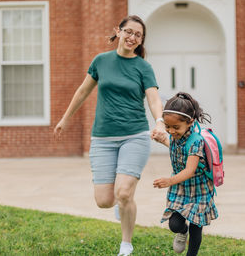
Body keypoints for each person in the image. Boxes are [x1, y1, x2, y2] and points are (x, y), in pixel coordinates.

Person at [54, 15, 164, 256]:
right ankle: (120, 204)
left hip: (134, 135)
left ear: (141, 40)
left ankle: (126, 245)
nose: (132, 37)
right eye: (129, 32)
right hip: (102, 139)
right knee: (104, 200)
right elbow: (83, 91)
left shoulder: (143, 67)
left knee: (124, 193)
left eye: (138, 35)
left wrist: (160, 122)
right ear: (119, 31)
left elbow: (153, 98)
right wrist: (65, 118)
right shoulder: (101, 61)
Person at [152, 92, 218, 256]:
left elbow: (189, 170)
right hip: (181, 188)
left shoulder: (196, 141)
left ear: (190, 122)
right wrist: (163, 140)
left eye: (175, 127)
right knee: (174, 224)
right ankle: (183, 231)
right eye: (167, 126)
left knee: (197, 226)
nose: (171, 131)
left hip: (198, 189)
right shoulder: (176, 136)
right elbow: (180, 150)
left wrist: (169, 181)